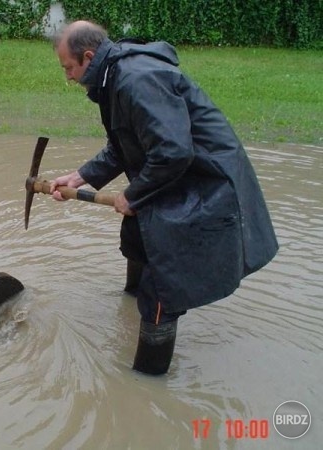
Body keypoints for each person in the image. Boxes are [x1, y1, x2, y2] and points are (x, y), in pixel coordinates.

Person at [50, 21, 278, 375]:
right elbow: (124, 144)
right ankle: (130, 307)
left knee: (161, 288)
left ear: (88, 57)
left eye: (68, 67)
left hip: (206, 180)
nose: (67, 76)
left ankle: (146, 383)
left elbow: (172, 151)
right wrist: (80, 176)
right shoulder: (113, 77)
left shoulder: (135, 79)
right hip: (176, 171)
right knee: (137, 236)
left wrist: (133, 193)